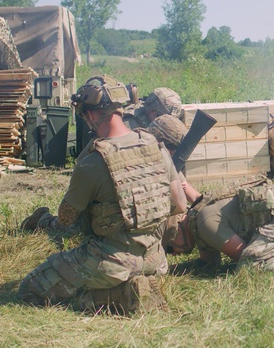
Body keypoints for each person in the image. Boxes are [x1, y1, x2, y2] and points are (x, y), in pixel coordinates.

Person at [17, 75, 187, 314]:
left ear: (93, 114)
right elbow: (179, 205)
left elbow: (66, 218)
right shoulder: (156, 146)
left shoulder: (94, 161)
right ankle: (136, 283)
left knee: (29, 289)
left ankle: (121, 295)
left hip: (111, 263)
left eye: (85, 114)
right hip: (155, 260)